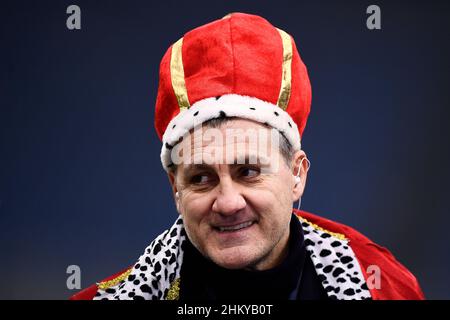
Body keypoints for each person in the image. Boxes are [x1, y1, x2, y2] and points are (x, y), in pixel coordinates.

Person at [71, 12, 424, 300]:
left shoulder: (384, 289)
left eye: (249, 171)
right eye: (201, 178)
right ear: (175, 188)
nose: (227, 203)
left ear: (297, 174)